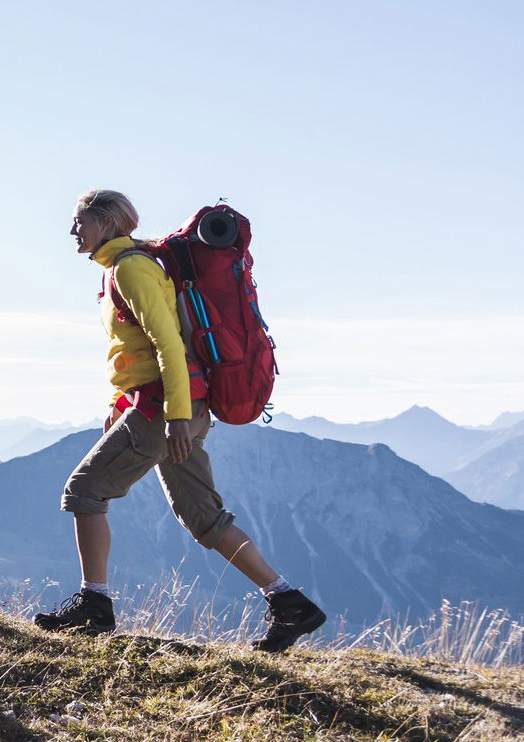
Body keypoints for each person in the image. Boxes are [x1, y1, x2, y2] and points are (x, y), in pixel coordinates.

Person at [32, 189, 325, 652]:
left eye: (79, 221)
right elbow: (136, 353)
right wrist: (119, 402)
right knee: (203, 517)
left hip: (166, 410)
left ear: (108, 223)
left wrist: (175, 418)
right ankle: (290, 603)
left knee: (85, 491)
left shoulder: (131, 269)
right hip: (169, 406)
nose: (72, 230)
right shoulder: (123, 268)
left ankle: (94, 604)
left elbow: (168, 344)